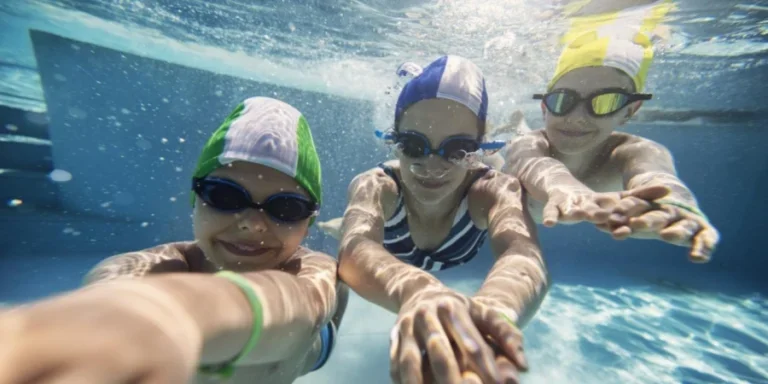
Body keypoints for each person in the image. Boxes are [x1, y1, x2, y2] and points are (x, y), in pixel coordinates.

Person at [0, 97, 348, 384]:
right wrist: (146, 315)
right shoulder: (143, 268)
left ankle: (339, 229)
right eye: (225, 196)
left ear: (307, 222)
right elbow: (114, 290)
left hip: (313, 344)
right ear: (195, 199)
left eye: (286, 207)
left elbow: (301, 307)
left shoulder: (312, 271)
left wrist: (183, 315)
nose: (253, 225)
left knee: (344, 274)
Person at [322, 55, 549, 383]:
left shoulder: (491, 190)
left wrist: (489, 316)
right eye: (413, 145)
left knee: (505, 170)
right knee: (342, 231)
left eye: (458, 149)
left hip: (476, 179)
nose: (431, 165)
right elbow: (356, 251)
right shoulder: (377, 185)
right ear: (394, 140)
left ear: (476, 147)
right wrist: (419, 290)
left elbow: (523, 256)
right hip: (394, 245)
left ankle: (509, 131)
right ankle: (332, 225)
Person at [501, 30, 720, 262]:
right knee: (516, 137)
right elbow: (533, 163)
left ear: (629, 111)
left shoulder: (636, 151)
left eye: (605, 102)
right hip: (518, 147)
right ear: (545, 106)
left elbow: (657, 176)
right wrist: (566, 188)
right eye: (563, 100)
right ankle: (515, 125)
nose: (576, 117)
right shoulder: (530, 145)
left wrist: (675, 202)